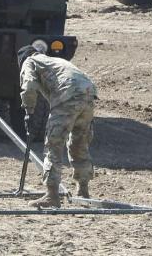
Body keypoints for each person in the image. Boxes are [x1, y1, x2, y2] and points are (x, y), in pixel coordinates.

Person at [17, 45, 98, 208]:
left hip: (67, 95)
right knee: (79, 143)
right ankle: (83, 190)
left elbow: (29, 86)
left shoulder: (30, 61)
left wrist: (29, 110)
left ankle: (52, 195)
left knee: (54, 144)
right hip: (88, 94)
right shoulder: (54, 61)